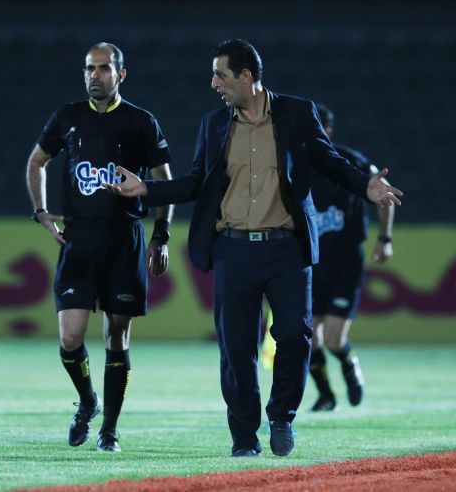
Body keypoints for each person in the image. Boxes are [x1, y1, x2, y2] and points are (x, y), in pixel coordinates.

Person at [105, 39, 402, 458]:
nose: (214, 84)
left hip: (287, 249)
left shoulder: (298, 113)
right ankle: (244, 438)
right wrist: (147, 189)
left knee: (295, 337)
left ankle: (281, 416)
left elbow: (329, 162)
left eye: (220, 75)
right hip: (234, 250)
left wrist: (365, 186)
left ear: (246, 77)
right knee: (237, 349)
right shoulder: (214, 124)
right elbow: (194, 182)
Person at [26, 42, 174, 453]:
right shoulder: (68, 117)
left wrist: (161, 235)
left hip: (125, 240)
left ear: (121, 74)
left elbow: (164, 181)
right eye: (90, 68)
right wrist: (40, 210)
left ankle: (109, 429)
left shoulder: (141, 122)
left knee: (117, 337)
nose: (96, 75)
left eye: (104, 68)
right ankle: (88, 400)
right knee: (70, 337)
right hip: (79, 240)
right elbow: (37, 161)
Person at [262, 104, 395, 412]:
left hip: (345, 262)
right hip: (308, 261)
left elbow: (386, 194)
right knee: (308, 337)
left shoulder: (350, 162)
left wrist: (385, 238)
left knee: (333, 338)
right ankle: (326, 395)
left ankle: (349, 365)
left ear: (328, 132)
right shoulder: (291, 164)